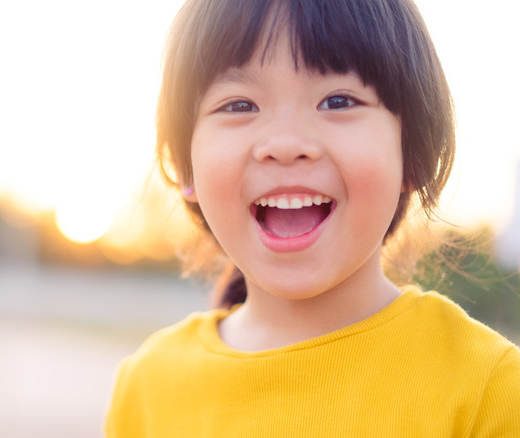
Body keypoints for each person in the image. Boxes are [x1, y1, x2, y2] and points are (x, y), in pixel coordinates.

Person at [104, 0, 520, 436]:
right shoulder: (147, 389)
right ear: (184, 165)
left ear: (412, 154)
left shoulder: (487, 391)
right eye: (239, 105)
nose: (285, 143)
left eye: (338, 101)